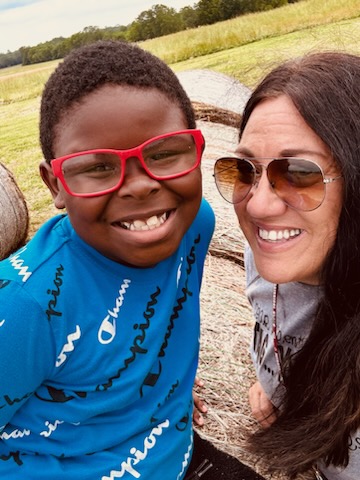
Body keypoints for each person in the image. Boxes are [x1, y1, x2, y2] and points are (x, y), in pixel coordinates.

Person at [0, 40, 216, 479]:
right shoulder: (23, 309)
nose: (139, 187)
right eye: (98, 167)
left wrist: (149, 386)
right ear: (54, 184)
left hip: (176, 455)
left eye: (163, 153)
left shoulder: (195, 226)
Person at [213, 51, 360, 479]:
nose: (258, 205)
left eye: (298, 172)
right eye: (244, 169)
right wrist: (278, 385)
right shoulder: (264, 258)